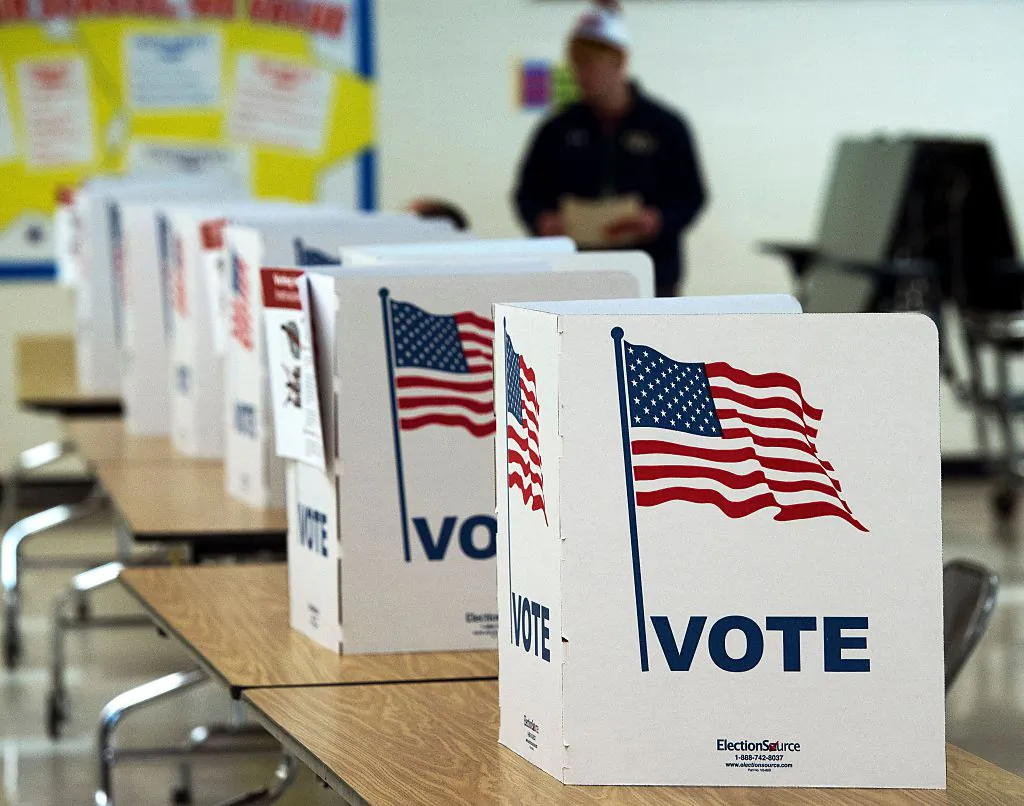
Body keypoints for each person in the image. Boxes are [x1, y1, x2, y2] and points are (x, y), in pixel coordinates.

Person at [513, 1, 706, 297]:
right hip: (575, 273)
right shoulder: (556, 129)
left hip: (651, 273)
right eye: (576, 63)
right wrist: (543, 221)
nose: (581, 73)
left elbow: (692, 195)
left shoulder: (665, 127)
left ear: (619, 61)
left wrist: (659, 220)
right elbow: (527, 193)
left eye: (590, 63)